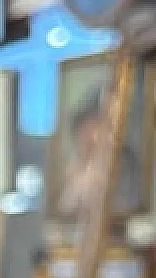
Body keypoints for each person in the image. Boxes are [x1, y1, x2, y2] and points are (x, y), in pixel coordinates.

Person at [56, 88, 141, 222]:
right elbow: (64, 212)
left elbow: (127, 211)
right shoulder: (75, 169)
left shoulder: (126, 164)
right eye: (87, 127)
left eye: (103, 124)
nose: (94, 136)